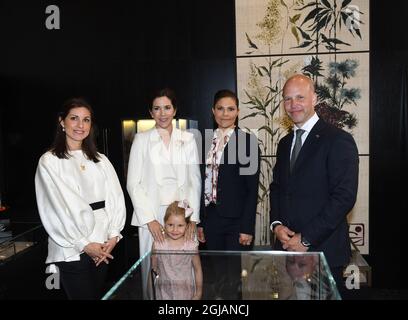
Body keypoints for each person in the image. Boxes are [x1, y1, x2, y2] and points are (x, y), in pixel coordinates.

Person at [269, 74, 359, 295]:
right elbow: (278, 188)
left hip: (324, 251)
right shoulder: (284, 143)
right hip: (288, 251)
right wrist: (277, 225)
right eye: (287, 99)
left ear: (314, 98)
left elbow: (344, 197)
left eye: (300, 97)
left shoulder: (338, 140)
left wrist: (306, 238)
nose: (293, 105)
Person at [35, 98, 126, 300]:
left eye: (86, 120)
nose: (80, 125)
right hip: (71, 249)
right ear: (62, 122)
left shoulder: (101, 160)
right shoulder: (49, 161)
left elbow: (115, 198)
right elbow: (56, 208)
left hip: (103, 245)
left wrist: (113, 235)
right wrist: (83, 243)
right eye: (74, 118)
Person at [126, 88, 201, 299]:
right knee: (153, 271)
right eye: (157, 108)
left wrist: (192, 218)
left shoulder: (187, 138)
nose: (162, 113)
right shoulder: (141, 140)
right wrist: (149, 220)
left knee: (185, 270)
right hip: (151, 215)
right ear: (150, 112)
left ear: (175, 110)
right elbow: (133, 183)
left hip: (182, 215)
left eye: (167, 107)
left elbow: (194, 179)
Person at [198, 89, 260, 250]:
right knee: (215, 271)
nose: (225, 114)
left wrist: (247, 228)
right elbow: (199, 183)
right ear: (213, 111)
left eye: (230, 109)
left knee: (234, 273)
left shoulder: (248, 143)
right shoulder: (203, 141)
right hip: (210, 219)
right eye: (220, 108)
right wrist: (200, 223)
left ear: (238, 112)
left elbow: (251, 190)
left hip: (236, 222)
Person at [151, 200, 203, 300]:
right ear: (164, 224)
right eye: (170, 225)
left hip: (186, 293)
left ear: (187, 226)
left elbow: (197, 269)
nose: (175, 230)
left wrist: (198, 293)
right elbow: (153, 270)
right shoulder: (158, 245)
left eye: (180, 225)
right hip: (163, 293)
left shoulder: (191, 245)